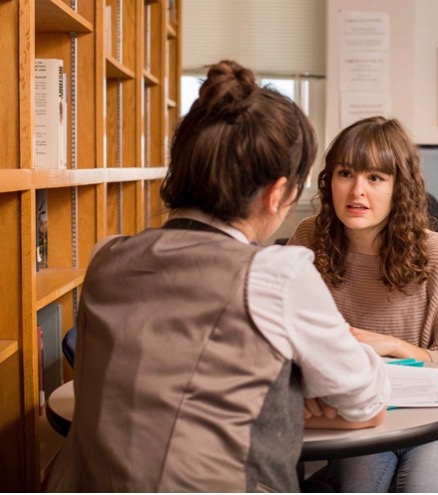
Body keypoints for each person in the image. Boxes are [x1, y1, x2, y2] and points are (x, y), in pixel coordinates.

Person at [45, 60, 390, 493]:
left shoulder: (107, 257)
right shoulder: (274, 275)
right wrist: (303, 394)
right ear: (276, 193)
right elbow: (366, 402)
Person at [288, 116, 438, 493]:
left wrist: (395, 346)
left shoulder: (435, 252)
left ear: (400, 187)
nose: (357, 191)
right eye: (346, 173)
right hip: (358, 420)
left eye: (375, 178)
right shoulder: (309, 238)